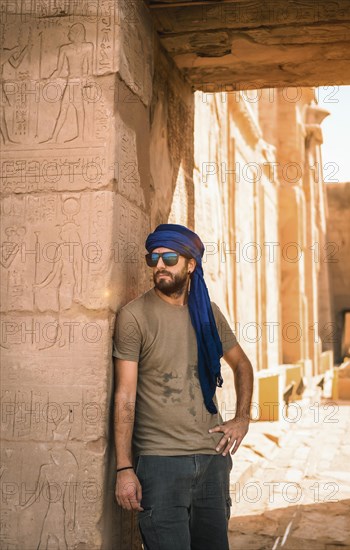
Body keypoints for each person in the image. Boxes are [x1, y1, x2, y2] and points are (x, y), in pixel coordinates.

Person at [113, 223, 253, 550]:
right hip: (160, 463)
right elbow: (124, 397)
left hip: (212, 459)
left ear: (190, 264)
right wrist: (124, 467)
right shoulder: (134, 317)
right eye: (154, 258)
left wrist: (242, 418)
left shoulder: (209, 315)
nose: (159, 265)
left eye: (169, 257)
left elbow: (242, 365)